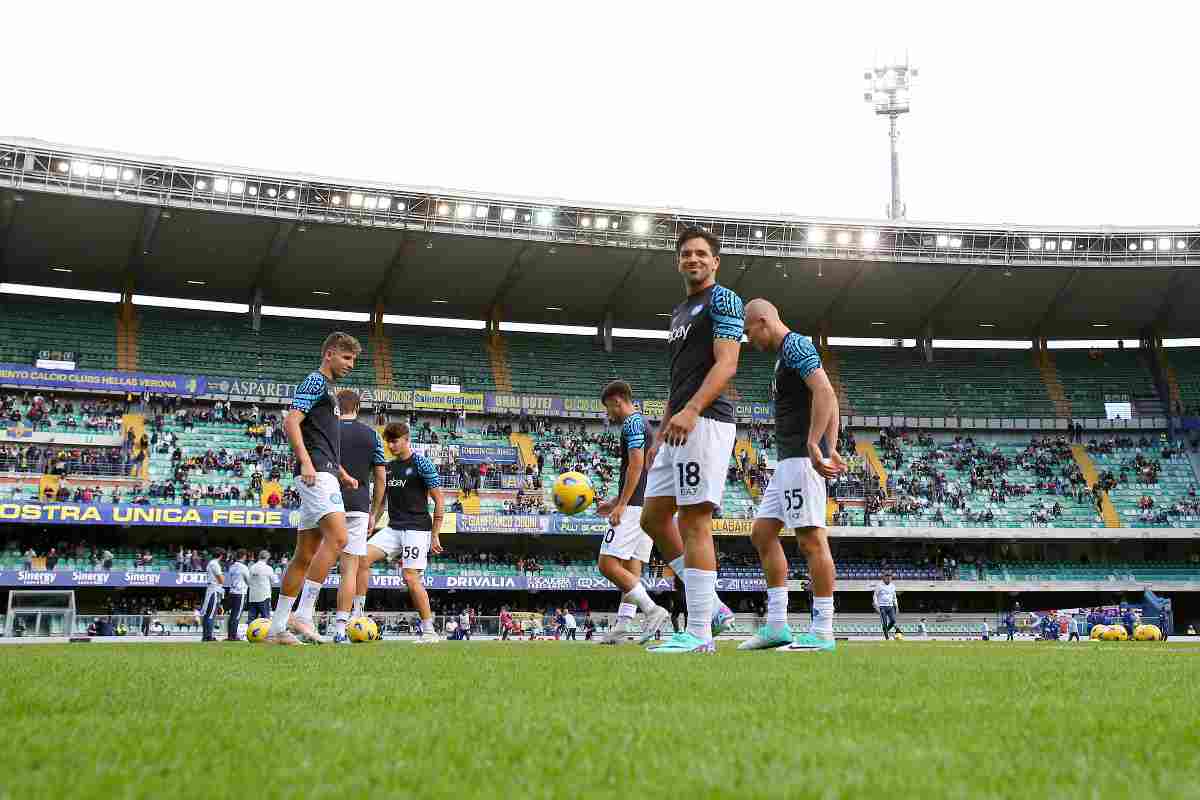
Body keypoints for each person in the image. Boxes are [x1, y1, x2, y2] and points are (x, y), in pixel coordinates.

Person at [641, 226, 742, 654]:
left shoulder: (723, 299)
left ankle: (700, 633)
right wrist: (660, 432)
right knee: (652, 518)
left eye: (702, 254)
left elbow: (727, 364)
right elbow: (676, 379)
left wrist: (693, 410)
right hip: (678, 425)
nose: (693, 259)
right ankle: (714, 607)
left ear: (715, 261)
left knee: (694, 521)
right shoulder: (679, 311)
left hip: (706, 421)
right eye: (686, 254)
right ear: (678, 261)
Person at [738, 299, 844, 653]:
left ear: (763, 321)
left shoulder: (796, 345)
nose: (748, 338)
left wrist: (818, 444)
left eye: (749, 330)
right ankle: (778, 625)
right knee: (762, 533)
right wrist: (833, 445)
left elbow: (826, 393)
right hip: (787, 462)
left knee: (811, 540)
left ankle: (824, 630)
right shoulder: (786, 354)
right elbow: (829, 398)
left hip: (800, 459)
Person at [265, 331, 362, 645]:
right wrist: (306, 463)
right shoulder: (315, 381)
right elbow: (291, 421)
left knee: (304, 555)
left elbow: (322, 439)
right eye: (347, 358)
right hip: (315, 474)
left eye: (353, 360)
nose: (351, 365)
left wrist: (343, 473)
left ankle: (278, 629)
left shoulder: (329, 393)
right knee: (340, 537)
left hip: (326, 471)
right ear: (330, 354)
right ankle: (303, 615)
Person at [595, 380, 670, 644]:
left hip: (635, 506)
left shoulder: (632, 423)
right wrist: (616, 499)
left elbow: (636, 463)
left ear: (618, 400)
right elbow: (639, 469)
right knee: (631, 568)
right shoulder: (643, 422)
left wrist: (621, 504)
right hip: (645, 503)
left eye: (608, 408)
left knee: (607, 564)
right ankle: (622, 626)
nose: (608, 414)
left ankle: (652, 610)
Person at [359, 422, 445, 644]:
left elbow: (439, 500)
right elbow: (381, 501)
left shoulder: (422, 464)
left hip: (417, 528)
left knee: (410, 577)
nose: (391, 445)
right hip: (394, 528)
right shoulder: (388, 467)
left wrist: (435, 534)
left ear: (407, 439)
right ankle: (356, 616)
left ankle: (429, 631)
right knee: (361, 559)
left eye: (395, 441)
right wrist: (372, 521)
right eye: (388, 441)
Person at [331, 390, 388, 644]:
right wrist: (374, 513)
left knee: (313, 562)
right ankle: (341, 628)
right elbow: (381, 479)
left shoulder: (327, 430)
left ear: (335, 406)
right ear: (358, 407)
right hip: (358, 504)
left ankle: (302, 619)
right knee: (349, 569)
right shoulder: (372, 435)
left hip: (327, 502)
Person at [201, 548, 225, 642]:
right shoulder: (215, 564)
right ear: (221, 556)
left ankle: (206, 635)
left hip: (211, 588)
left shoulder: (211, 563)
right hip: (214, 589)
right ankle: (209, 636)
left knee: (208, 614)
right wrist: (222, 577)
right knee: (211, 614)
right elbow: (221, 580)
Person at [225, 550, 250, 641]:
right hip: (240, 593)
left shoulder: (232, 567)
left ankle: (230, 635)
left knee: (232, 615)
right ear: (243, 556)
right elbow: (248, 580)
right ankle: (233, 636)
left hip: (232, 592)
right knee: (237, 615)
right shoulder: (244, 567)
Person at [246, 549, 274, 623]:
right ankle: (265, 634)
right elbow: (274, 580)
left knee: (251, 618)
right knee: (265, 618)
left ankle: (249, 633)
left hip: (253, 596)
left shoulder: (252, 567)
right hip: (264, 596)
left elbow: (248, 581)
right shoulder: (268, 568)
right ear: (267, 557)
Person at [873, 573, 899, 640]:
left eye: (890, 578)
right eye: (887, 578)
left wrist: (896, 605)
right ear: (884, 578)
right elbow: (875, 596)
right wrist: (876, 605)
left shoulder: (893, 586)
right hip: (882, 606)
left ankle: (886, 630)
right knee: (884, 622)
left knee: (893, 620)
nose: (889, 579)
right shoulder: (879, 585)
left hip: (890, 606)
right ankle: (887, 638)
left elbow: (894, 596)